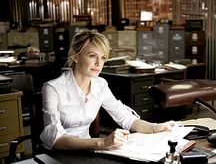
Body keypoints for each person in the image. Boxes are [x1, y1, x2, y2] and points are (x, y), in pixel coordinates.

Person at [40, 30, 176, 151]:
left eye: (103, 57)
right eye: (92, 56)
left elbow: (125, 117)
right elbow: (55, 138)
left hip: (87, 151)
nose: (99, 64)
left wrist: (154, 128)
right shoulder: (53, 88)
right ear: (76, 57)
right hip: (57, 154)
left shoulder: (100, 85)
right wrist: (101, 143)